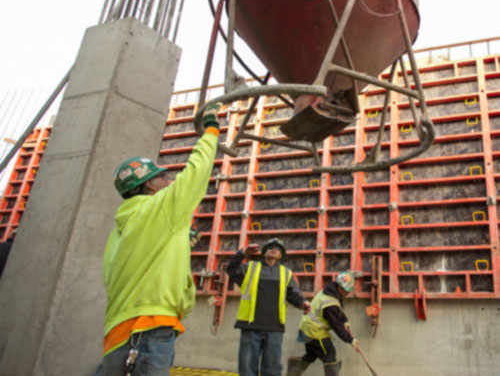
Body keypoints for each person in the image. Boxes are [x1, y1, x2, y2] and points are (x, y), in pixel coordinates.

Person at [100, 102, 222, 376]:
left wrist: (175, 246)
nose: (167, 181)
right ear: (147, 186)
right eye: (161, 178)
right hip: (148, 331)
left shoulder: (120, 231)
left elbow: (121, 274)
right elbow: (196, 173)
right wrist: (211, 131)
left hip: (118, 333)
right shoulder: (159, 209)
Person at [226, 237, 311, 376]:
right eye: (271, 246)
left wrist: (303, 303)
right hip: (250, 326)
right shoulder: (250, 268)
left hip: (274, 328)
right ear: (264, 251)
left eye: (278, 248)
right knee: (247, 369)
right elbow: (231, 269)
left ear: (281, 255)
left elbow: (293, 294)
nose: (274, 249)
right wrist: (243, 253)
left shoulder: (286, 273)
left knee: (272, 370)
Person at [286, 271, 360, 376]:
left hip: (306, 328)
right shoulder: (330, 302)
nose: (348, 293)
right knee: (329, 355)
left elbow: (337, 310)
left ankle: (292, 373)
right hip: (314, 331)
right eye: (346, 290)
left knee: (311, 355)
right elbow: (336, 326)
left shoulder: (330, 291)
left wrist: (345, 320)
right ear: (340, 287)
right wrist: (351, 340)